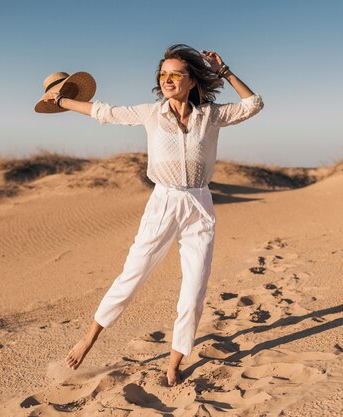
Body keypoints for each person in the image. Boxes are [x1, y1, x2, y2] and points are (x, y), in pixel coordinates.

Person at [42, 44, 264, 386]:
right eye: (163, 74)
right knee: (133, 274)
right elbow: (106, 112)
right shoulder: (151, 113)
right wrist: (63, 102)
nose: (168, 80)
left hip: (200, 205)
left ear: (191, 81)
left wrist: (224, 72)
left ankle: (175, 361)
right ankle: (89, 338)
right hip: (163, 202)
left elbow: (254, 105)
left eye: (176, 74)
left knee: (194, 290)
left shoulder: (211, 115)